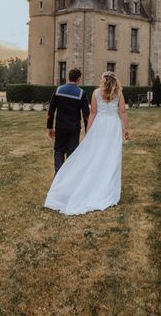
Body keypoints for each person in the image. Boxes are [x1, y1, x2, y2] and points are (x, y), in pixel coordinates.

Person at [44, 71, 129, 215]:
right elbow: (122, 112)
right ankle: (107, 187)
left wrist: (89, 132)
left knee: (96, 155)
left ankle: (79, 179)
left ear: (103, 80)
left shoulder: (96, 93)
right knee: (111, 157)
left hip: (99, 125)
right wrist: (126, 129)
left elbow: (93, 113)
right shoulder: (119, 93)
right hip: (113, 126)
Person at [46, 68, 90, 174]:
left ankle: (59, 176)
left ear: (68, 77)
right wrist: (88, 131)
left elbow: (50, 111)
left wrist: (50, 127)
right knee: (72, 153)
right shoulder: (81, 93)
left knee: (59, 151)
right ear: (79, 78)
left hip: (60, 126)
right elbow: (86, 115)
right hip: (74, 128)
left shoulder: (58, 90)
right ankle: (68, 178)